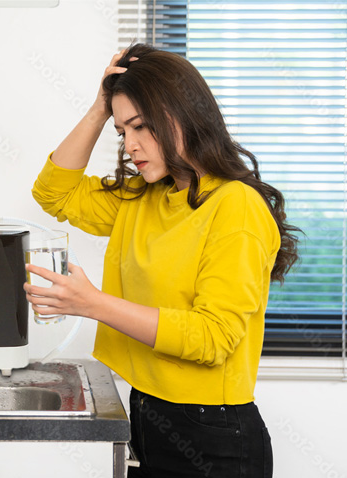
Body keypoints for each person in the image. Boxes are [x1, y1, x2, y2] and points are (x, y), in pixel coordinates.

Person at [24, 44, 300, 478]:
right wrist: (101, 107)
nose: (130, 145)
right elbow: (53, 192)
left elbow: (212, 338)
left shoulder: (236, 207)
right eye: (122, 132)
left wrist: (92, 304)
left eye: (141, 127)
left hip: (216, 436)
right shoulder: (144, 198)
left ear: (182, 115)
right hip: (148, 413)